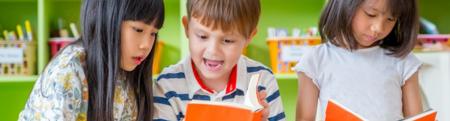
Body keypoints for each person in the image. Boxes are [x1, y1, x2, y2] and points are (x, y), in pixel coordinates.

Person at [19, 0, 164, 120]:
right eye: (138, 30)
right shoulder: (67, 72)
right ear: (107, 18)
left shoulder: (129, 74)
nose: (146, 45)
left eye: (153, 33)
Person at [153, 0, 285, 121]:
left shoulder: (262, 80)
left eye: (227, 40)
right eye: (202, 36)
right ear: (187, 27)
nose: (213, 51)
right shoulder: (167, 85)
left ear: (249, 37)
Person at [295, 0, 422, 120]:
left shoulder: (403, 61)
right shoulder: (316, 59)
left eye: (390, 19)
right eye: (371, 14)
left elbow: (416, 119)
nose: (378, 28)